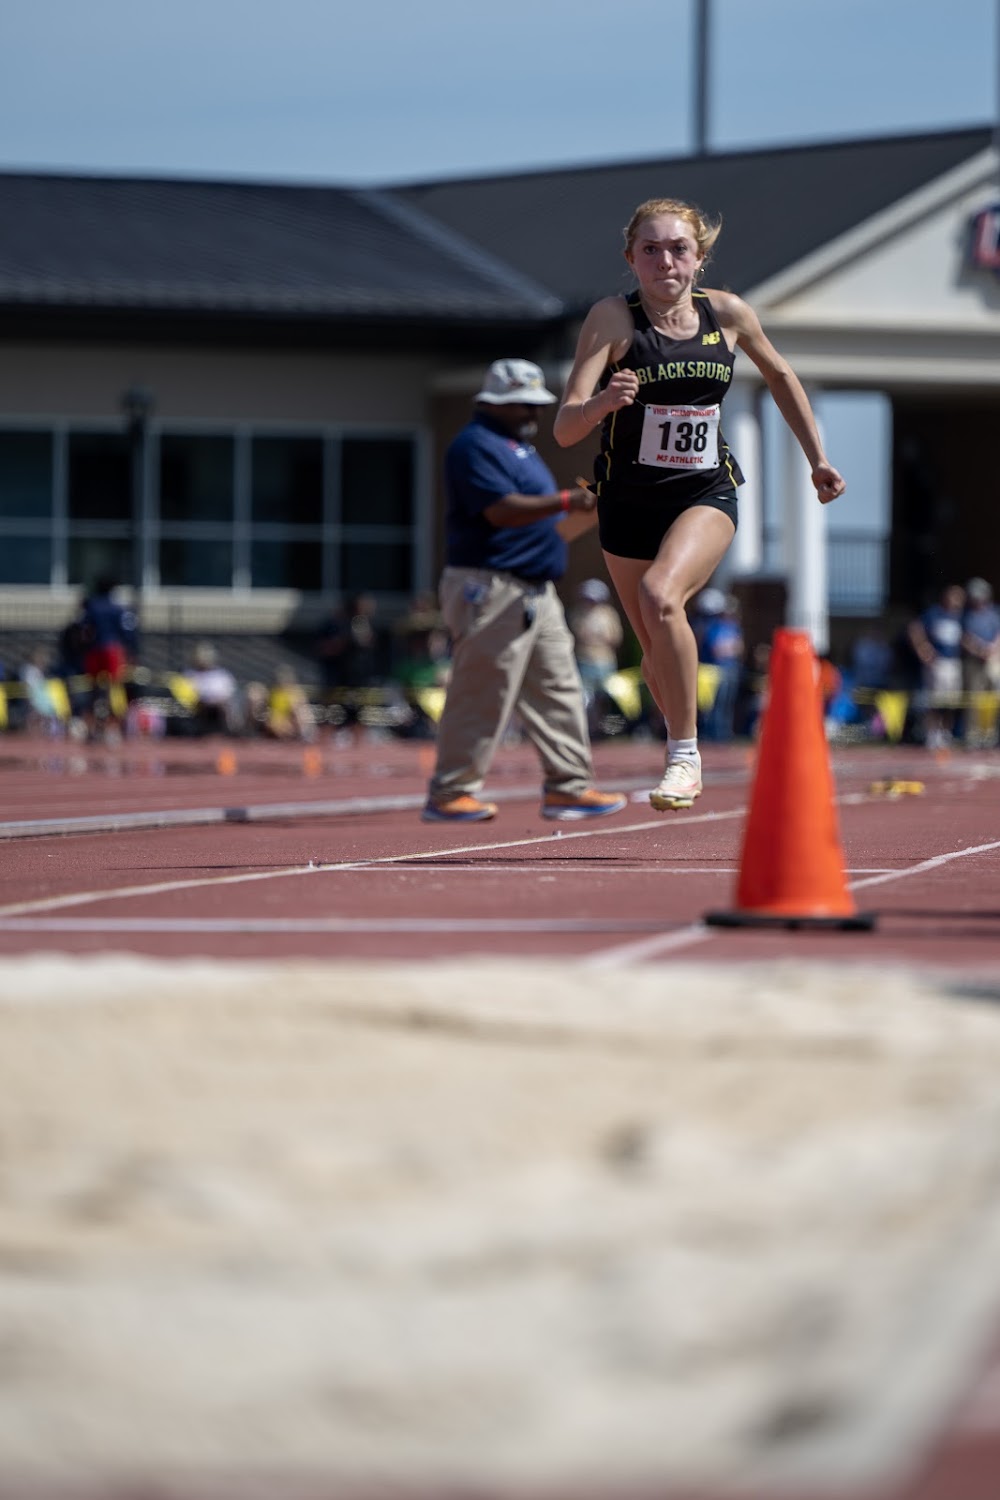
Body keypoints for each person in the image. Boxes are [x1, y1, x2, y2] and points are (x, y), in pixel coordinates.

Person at [554, 196, 845, 809]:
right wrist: (602, 403)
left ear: (700, 257)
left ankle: (684, 756)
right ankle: (681, 736)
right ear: (631, 258)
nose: (665, 261)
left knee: (662, 595)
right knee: (654, 661)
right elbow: (565, 427)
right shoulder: (612, 319)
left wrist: (817, 457)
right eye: (651, 250)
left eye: (678, 249)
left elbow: (781, 376)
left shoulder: (728, 313)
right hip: (627, 503)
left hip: (704, 491)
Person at [422, 357, 627, 823]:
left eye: (536, 404)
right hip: (491, 586)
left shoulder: (518, 447)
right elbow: (500, 510)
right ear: (494, 403)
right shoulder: (475, 445)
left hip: (535, 589)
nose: (533, 412)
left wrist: (582, 510)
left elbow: (539, 521)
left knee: (560, 688)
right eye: (522, 404)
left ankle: (568, 787)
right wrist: (566, 499)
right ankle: (450, 791)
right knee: (482, 690)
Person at [907, 583, 965, 748]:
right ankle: (932, 733)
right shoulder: (934, 613)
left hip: (953, 662)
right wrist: (922, 649)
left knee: (951, 701)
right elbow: (915, 628)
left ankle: (946, 732)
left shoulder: (959, 617)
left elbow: (965, 637)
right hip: (937, 663)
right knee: (934, 700)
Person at [961, 577, 1000, 747]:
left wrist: (992, 649)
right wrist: (979, 650)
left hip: (993, 659)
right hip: (974, 661)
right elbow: (964, 638)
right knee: (974, 699)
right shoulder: (966, 615)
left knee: (993, 699)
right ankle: (973, 735)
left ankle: (990, 734)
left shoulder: (994, 613)